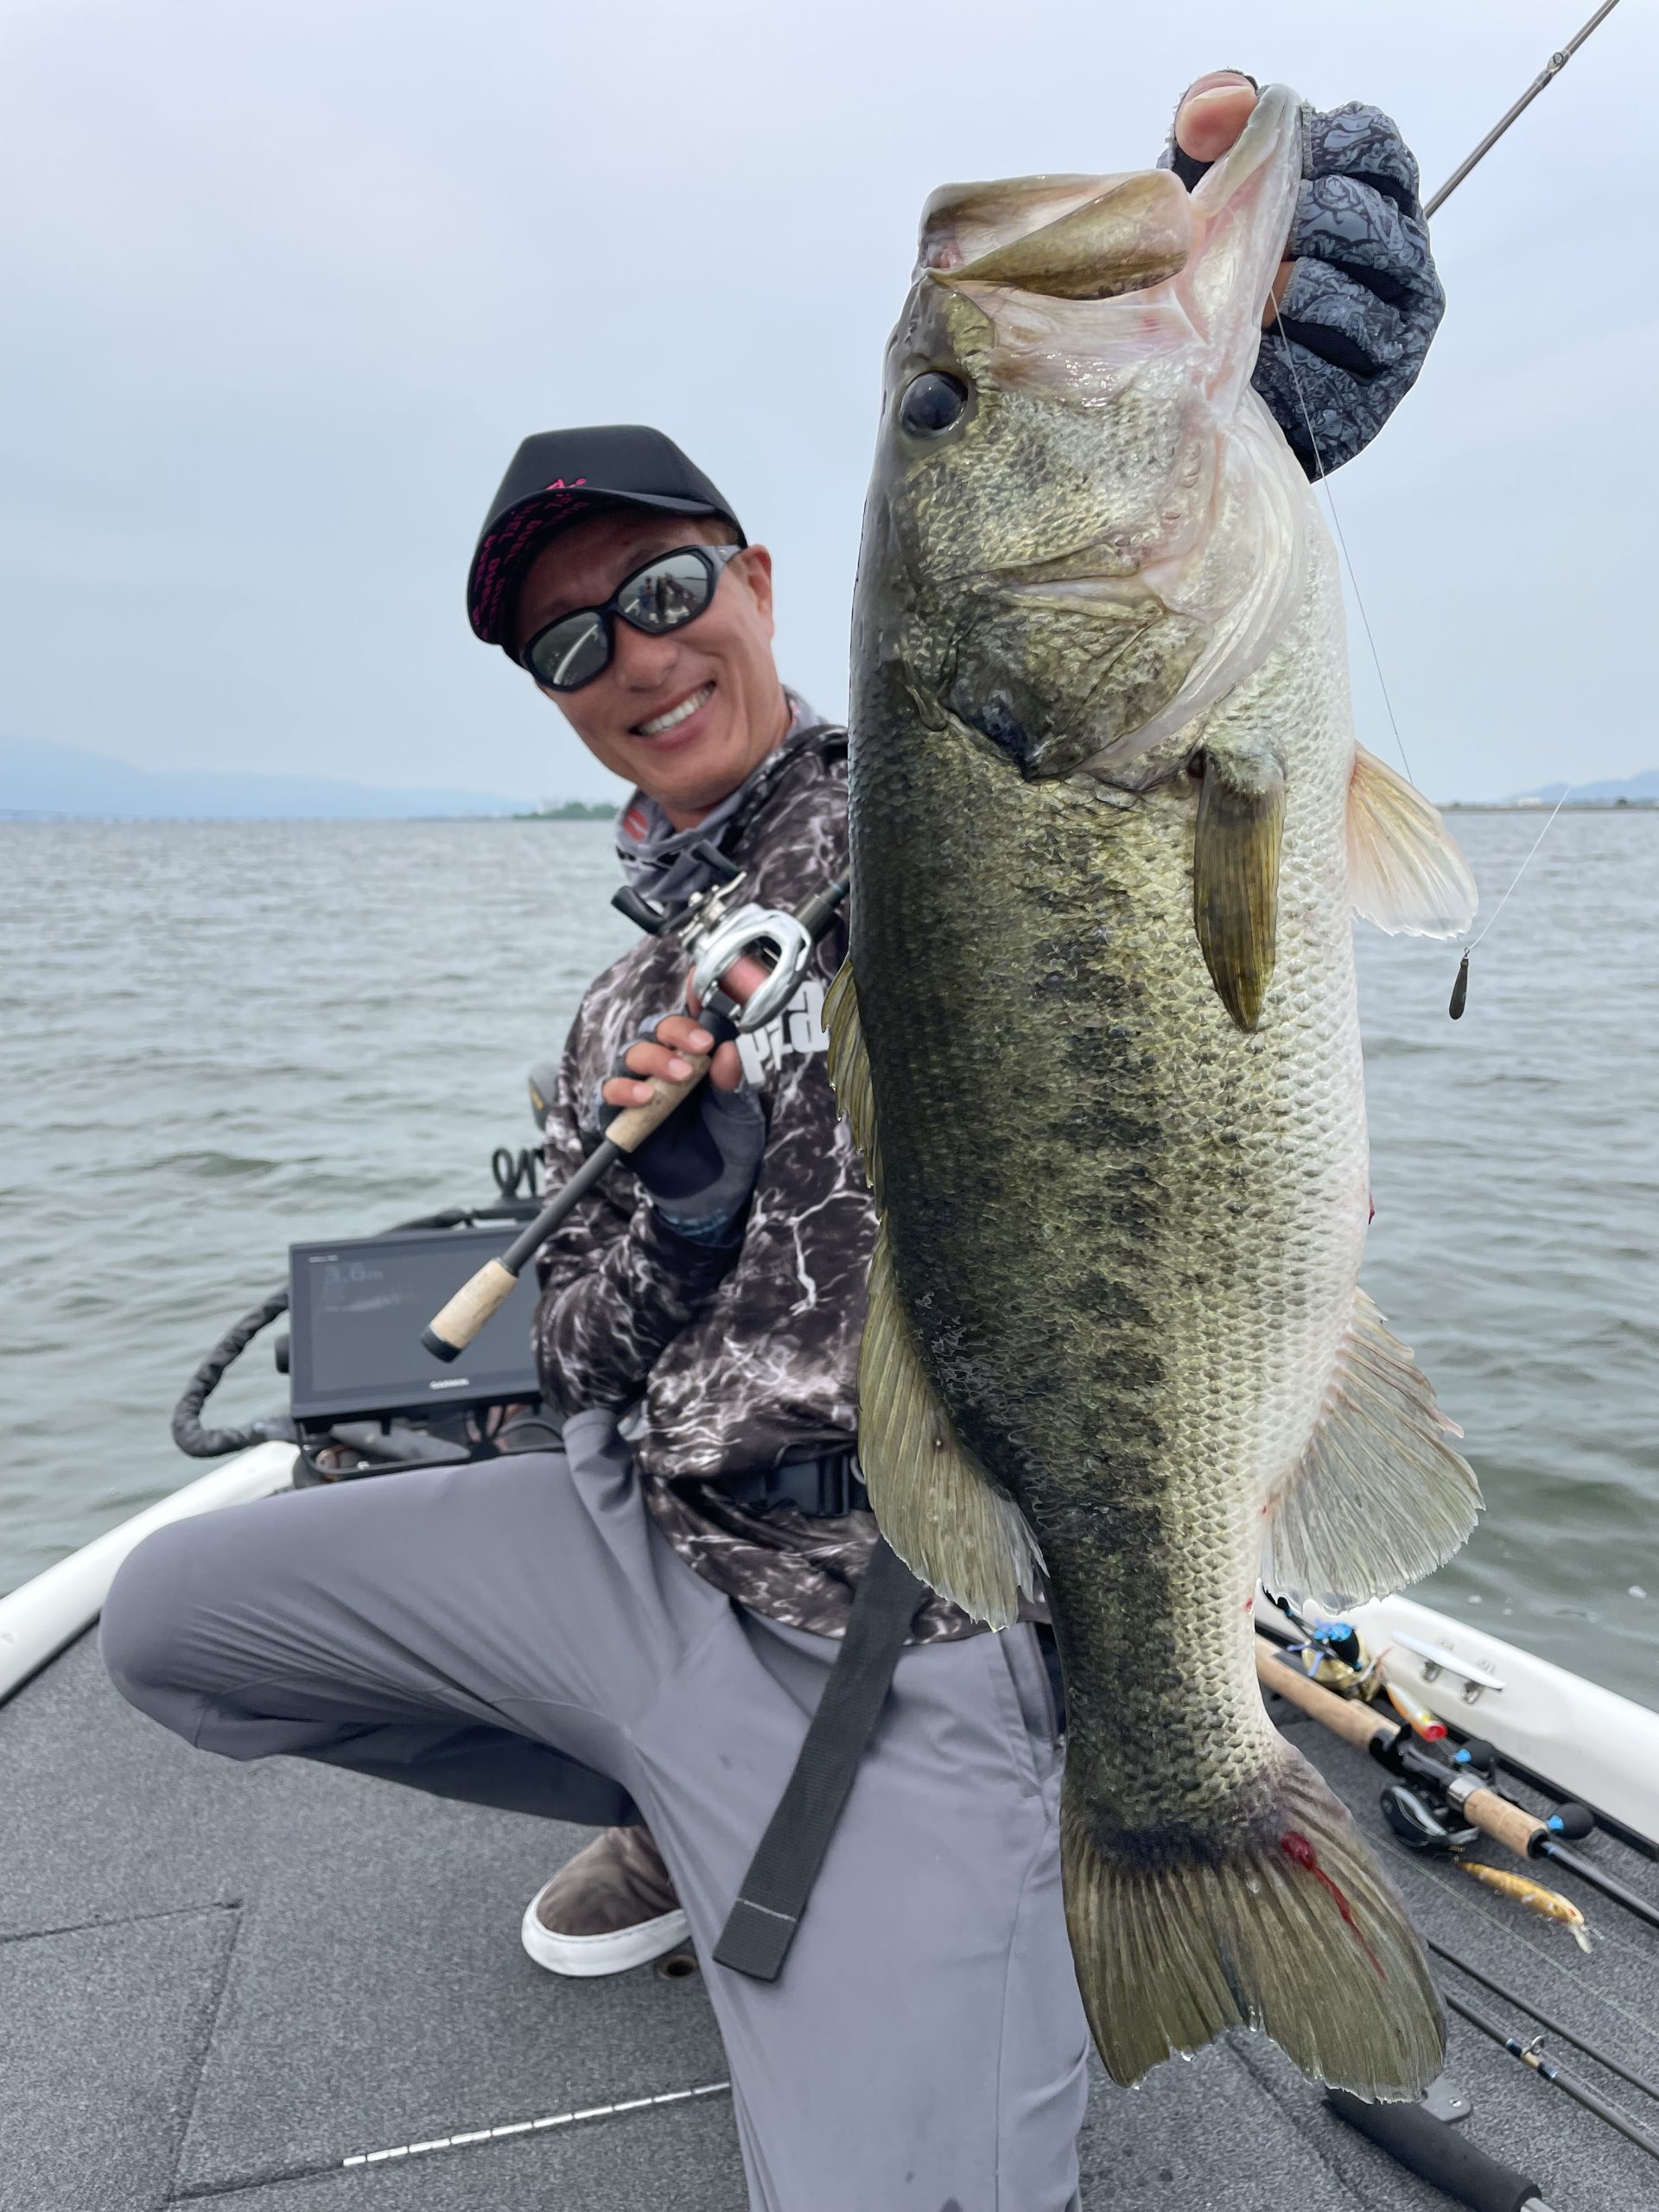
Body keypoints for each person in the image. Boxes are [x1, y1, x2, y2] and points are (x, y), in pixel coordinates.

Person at [99, 75, 1445, 2212]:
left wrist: (1263, 406)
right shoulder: (618, 1012)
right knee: (172, 1617)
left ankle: (1057, 1805)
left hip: (906, 1622)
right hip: (651, 1554)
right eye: (568, 644)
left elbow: (1089, 704)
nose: (629, 657)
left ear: (751, 576)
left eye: (654, 589)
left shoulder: (913, 791)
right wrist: (679, 1207)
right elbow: (585, 1354)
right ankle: (661, 1781)